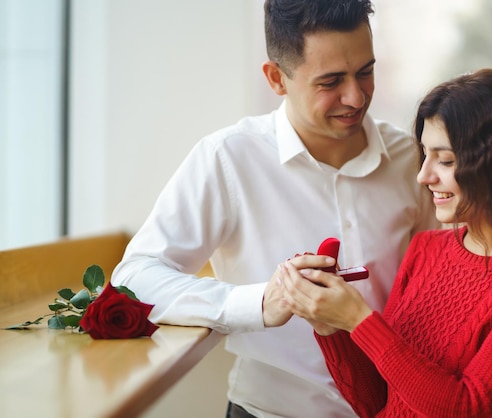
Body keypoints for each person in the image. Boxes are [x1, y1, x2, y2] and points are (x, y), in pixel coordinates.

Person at [111, 1, 438, 417]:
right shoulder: (227, 158)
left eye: (365, 71)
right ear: (275, 78)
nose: (356, 96)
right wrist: (260, 302)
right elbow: (135, 279)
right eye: (331, 81)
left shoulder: (413, 159)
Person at [279, 68, 492, 417]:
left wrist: (359, 320)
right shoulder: (427, 248)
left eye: (445, 160)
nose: (424, 176)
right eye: (425, 155)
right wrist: (329, 325)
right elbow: (379, 402)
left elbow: (468, 410)